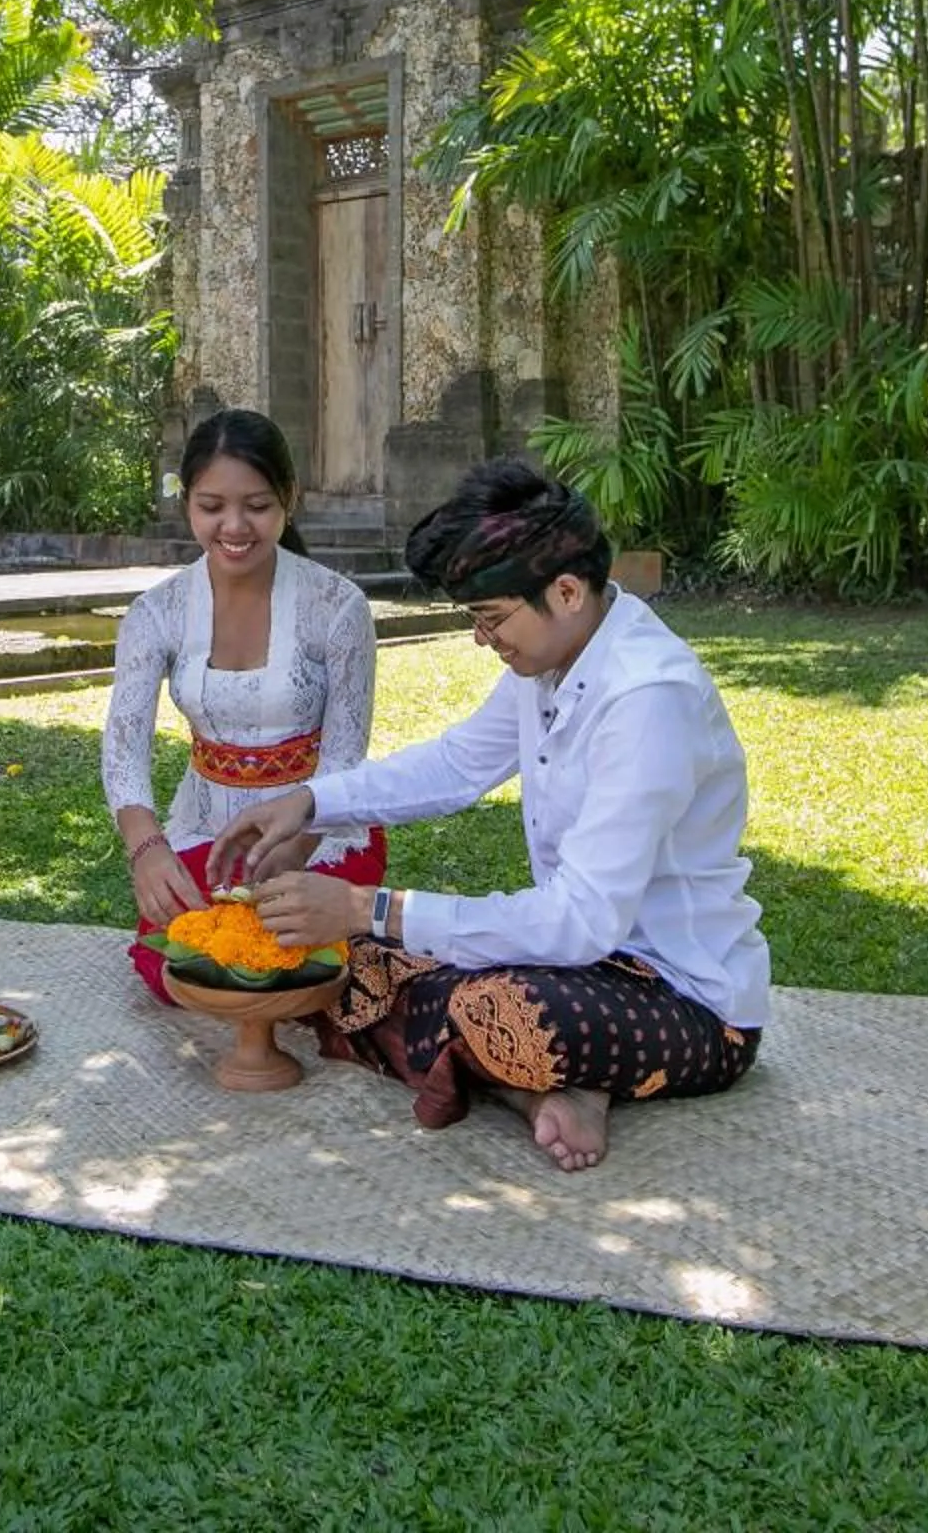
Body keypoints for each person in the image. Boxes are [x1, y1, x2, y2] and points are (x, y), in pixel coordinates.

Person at [212, 457, 768, 1175]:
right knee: (351, 967)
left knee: (496, 1009)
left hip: (686, 1001)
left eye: (492, 618)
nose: (483, 639)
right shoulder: (556, 659)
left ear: (566, 591)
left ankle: (537, 1077)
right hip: (577, 966)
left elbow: (579, 921)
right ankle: (547, 1095)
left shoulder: (646, 700)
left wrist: (362, 904)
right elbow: (458, 764)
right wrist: (313, 801)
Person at [102, 408, 383, 1001]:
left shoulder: (338, 607)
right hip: (208, 830)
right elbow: (124, 749)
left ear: (289, 498)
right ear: (188, 505)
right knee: (177, 968)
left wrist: (294, 849)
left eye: (256, 506)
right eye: (212, 507)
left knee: (288, 969)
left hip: (319, 836)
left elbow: (344, 759)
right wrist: (148, 850)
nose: (234, 526)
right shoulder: (156, 613)